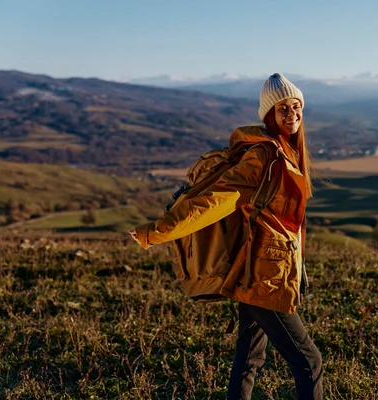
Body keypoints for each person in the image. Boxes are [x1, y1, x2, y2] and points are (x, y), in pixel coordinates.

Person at [129, 73, 323, 399]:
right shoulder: (262, 156)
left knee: (250, 357)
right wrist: (156, 232)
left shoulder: (286, 152)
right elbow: (213, 202)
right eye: (283, 108)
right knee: (309, 361)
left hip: (260, 269)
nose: (292, 114)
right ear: (269, 114)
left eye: (296, 107)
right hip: (262, 275)